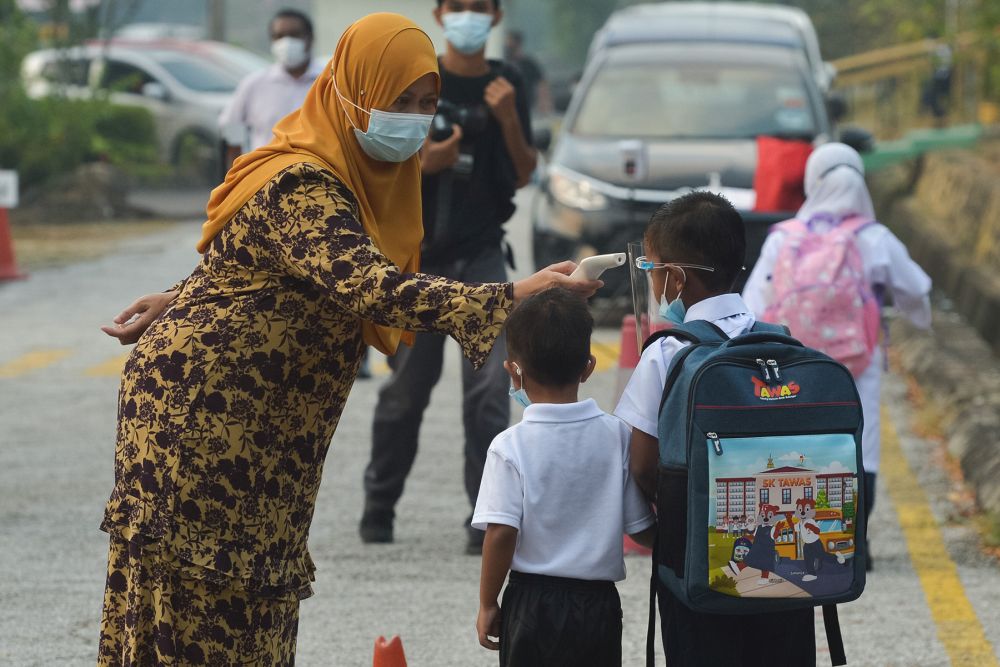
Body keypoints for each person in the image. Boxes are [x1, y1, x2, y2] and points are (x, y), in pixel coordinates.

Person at [96, 14, 600, 665]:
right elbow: (375, 288)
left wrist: (179, 295)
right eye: (399, 103)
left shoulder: (350, 175)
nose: (415, 119)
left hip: (255, 418)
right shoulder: (306, 179)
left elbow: (255, 259)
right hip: (210, 423)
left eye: (426, 103)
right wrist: (517, 293)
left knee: (252, 591)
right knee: (209, 603)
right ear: (353, 92)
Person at [360, 0, 538, 554]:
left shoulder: (507, 84)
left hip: (482, 258)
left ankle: (485, 520)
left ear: (496, 15)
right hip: (421, 259)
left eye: (479, 7)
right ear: (439, 15)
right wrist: (425, 163)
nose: (469, 16)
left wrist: (507, 118)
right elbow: (377, 163)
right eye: (458, 6)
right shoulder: (420, 80)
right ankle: (379, 506)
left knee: (489, 394)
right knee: (406, 391)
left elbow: (526, 170)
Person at [614, 191, 819, 665]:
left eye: (652, 268)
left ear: (676, 277)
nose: (651, 279)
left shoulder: (667, 354)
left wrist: (664, 532)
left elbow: (641, 465)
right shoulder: (783, 346)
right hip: (787, 581)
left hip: (696, 566)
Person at [742, 142, 932, 570]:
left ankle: (789, 539)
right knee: (861, 441)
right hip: (855, 363)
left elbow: (753, 302)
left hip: (793, 362)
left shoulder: (784, 238)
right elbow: (918, 289)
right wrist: (913, 316)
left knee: (794, 442)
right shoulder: (872, 237)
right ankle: (855, 544)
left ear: (812, 182)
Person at [473, 288, 655, 665]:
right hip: (598, 604)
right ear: (588, 367)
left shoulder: (509, 446)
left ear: (513, 370)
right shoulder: (616, 435)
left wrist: (488, 602)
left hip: (532, 603)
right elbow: (639, 527)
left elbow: (502, 531)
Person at [217, 8, 324, 170]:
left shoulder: (329, 82)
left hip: (317, 178)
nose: (286, 42)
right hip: (265, 179)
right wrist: (237, 175)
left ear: (310, 38)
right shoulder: (254, 84)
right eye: (279, 36)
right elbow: (232, 128)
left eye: (294, 35)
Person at [504, 29, 551, 115]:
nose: (507, 46)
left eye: (510, 43)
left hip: (527, 106)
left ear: (518, 44)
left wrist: (544, 103)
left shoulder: (528, 64)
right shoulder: (503, 64)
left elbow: (541, 83)